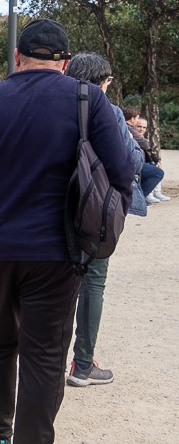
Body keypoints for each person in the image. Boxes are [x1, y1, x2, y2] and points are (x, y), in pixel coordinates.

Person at [0, 19, 132, 444]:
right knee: (45, 354)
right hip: (59, 250)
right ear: (66, 62)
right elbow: (123, 172)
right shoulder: (87, 100)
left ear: (18, 57)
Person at [64, 52, 144, 387]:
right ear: (102, 81)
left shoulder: (54, 102)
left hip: (55, 206)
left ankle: (45, 357)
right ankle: (83, 363)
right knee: (93, 281)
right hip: (93, 209)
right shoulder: (107, 110)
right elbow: (129, 162)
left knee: (53, 282)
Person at [135, 117, 169, 203]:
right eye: (139, 126)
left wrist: (157, 161)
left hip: (143, 163)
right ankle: (147, 195)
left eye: (144, 127)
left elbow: (149, 152)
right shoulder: (133, 137)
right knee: (155, 171)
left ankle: (156, 192)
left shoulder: (144, 139)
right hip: (136, 164)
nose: (141, 129)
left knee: (157, 166)